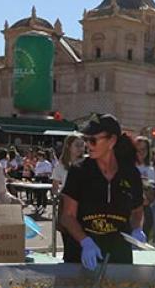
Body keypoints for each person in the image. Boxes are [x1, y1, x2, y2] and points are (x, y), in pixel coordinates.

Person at [60, 114, 144, 269]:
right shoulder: (78, 171)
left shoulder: (131, 173)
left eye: (93, 140)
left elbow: (137, 210)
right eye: (86, 140)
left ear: (111, 141)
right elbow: (67, 216)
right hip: (82, 254)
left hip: (118, 254)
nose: (88, 145)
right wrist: (85, 241)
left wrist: (137, 229)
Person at [135, 136, 155, 239]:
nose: (141, 152)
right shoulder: (128, 167)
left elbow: (153, 195)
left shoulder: (151, 170)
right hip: (131, 209)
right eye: (138, 149)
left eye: (143, 149)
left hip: (146, 208)